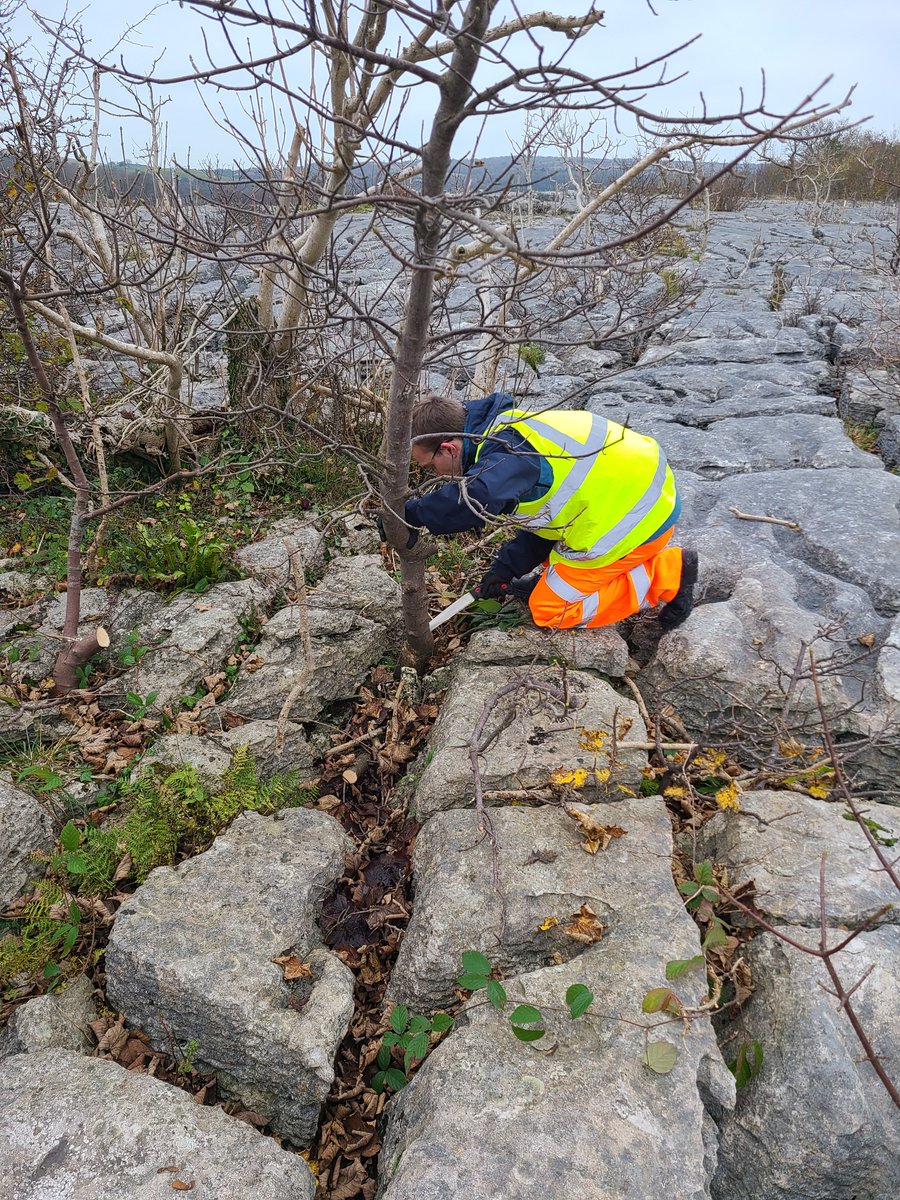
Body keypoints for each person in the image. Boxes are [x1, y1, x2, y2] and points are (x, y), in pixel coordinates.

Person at [400, 392, 697, 631]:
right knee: (545, 578)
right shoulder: (504, 429)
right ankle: (560, 577)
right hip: (643, 494)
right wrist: (508, 567)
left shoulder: (507, 458)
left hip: (637, 522)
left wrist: (407, 515)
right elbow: (548, 516)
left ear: (449, 449)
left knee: (550, 609)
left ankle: (667, 574)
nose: (432, 473)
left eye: (428, 466)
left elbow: (477, 499)